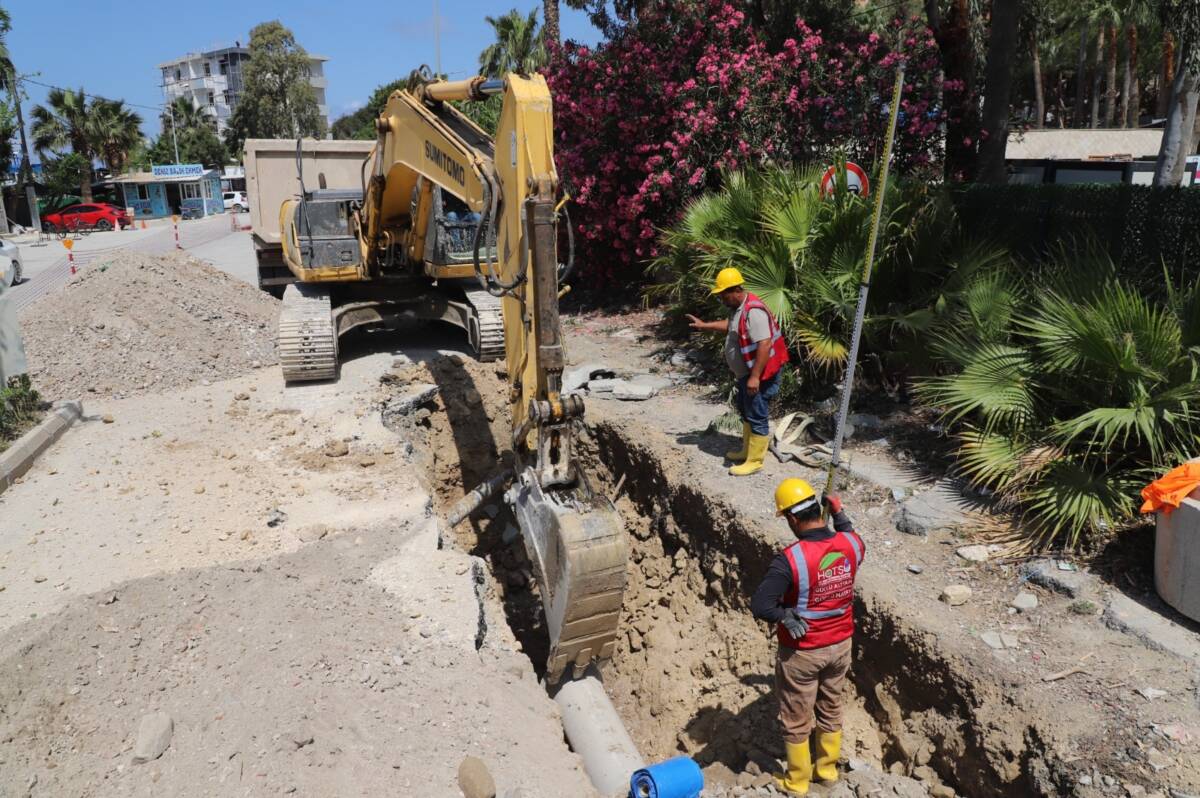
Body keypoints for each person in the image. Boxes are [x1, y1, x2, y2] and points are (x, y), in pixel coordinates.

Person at [751, 478, 865, 795]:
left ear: (791, 518)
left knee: (796, 717)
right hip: (841, 646)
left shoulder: (791, 559)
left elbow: (760, 604)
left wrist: (785, 615)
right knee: (831, 708)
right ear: (820, 508)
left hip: (803, 652)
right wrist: (840, 513)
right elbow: (848, 532)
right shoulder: (853, 545)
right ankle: (826, 770)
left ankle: (798, 781)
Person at [687, 267, 789, 476]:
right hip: (746, 375)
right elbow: (732, 326)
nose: (721, 298)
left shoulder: (754, 311)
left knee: (757, 413)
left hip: (760, 375)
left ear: (735, 290)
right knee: (747, 410)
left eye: (723, 294)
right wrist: (705, 325)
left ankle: (755, 460)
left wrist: (754, 377)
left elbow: (765, 343)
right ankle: (746, 450)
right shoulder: (739, 309)